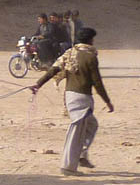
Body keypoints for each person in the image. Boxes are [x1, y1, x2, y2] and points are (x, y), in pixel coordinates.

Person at [31, 26, 114, 174]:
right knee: (76, 131)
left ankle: (81, 154)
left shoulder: (70, 53)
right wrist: (107, 101)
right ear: (90, 40)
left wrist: (38, 84)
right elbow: (97, 81)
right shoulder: (90, 57)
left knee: (91, 125)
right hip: (81, 97)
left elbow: (53, 70)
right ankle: (68, 167)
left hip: (70, 95)